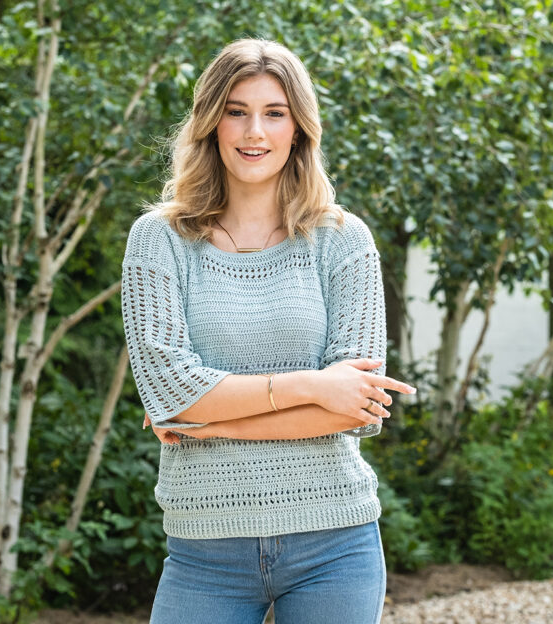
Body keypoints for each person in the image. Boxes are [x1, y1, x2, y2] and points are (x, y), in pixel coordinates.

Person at [120, 38, 416, 624]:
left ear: (298, 128)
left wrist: (206, 419)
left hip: (335, 541)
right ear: (210, 122)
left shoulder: (342, 240)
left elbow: (356, 408)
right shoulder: (158, 241)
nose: (254, 131)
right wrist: (312, 386)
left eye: (274, 113)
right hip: (204, 549)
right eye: (236, 110)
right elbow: (171, 391)